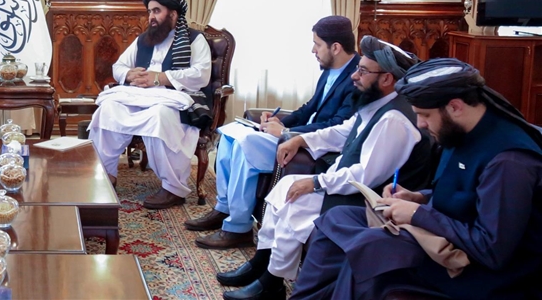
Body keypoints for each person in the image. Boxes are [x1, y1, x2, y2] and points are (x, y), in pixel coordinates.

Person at [290, 58, 542, 300]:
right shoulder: (458, 128)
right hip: (443, 237)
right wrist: (419, 197)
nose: (420, 124)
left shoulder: (509, 161)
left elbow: (491, 250)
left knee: (371, 247)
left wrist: (417, 214)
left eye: (425, 115)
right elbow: (467, 193)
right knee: (336, 218)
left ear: (455, 107)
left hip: (480, 272)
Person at [218, 36, 432, 300]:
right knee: (284, 188)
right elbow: (341, 131)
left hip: (367, 200)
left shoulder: (394, 120)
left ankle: (271, 283)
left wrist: (317, 182)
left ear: (387, 79)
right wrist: (299, 139)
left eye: (363, 71)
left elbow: (365, 175)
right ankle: (261, 263)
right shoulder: (376, 104)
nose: (354, 76)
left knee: (294, 203)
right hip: (344, 186)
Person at [187, 15, 361, 250]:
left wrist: (287, 131)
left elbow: (337, 125)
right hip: (296, 134)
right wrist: (278, 120)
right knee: (229, 135)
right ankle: (224, 208)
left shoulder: (356, 78)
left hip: (312, 145)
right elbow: (309, 108)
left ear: (336, 47)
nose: (313, 50)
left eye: (317, 44)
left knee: (246, 143)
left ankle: (238, 228)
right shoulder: (330, 69)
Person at [88, 0, 212, 209]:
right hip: (140, 96)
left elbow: (201, 74)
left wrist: (161, 78)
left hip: (173, 97)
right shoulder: (143, 40)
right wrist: (128, 74)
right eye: (149, 12)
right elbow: (119, 66)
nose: (151, 17)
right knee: (108, 109)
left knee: (159, 116)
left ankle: (173, 188)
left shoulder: (195, 39)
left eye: (157, 11)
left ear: (173, 14)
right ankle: (107, 176)